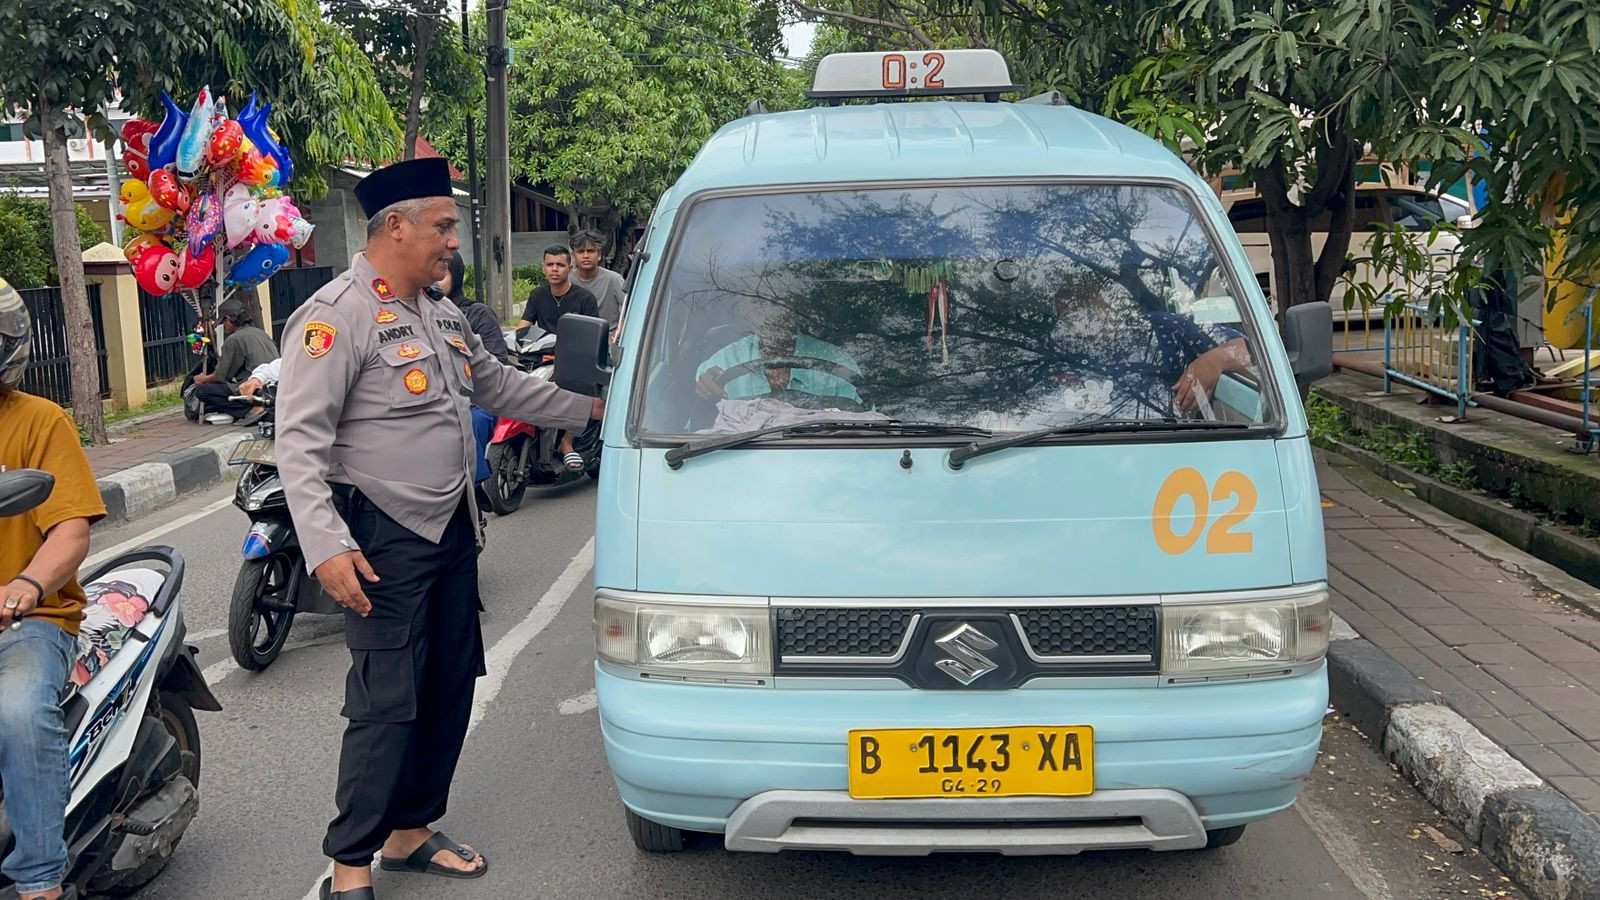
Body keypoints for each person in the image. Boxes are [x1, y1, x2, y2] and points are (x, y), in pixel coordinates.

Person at [273, 158, 604, 900]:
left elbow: (501, 385)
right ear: (397, 226)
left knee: (450, 682)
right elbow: (298, 443)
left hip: (453, 526)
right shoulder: (337, 316)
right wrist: (325, 546)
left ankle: (410, 830)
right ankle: (350, 860)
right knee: (385, 697)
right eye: (444, 226)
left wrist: (590, 409)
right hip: (379, 536)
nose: (453, 241)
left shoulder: (444, 315)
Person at [0, 277, 108, 900]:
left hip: (27, 621)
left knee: (18, 711)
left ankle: (39, 879)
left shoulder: (40, 421)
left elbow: (69, 532)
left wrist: (23, 586)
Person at [1047, 281, 1252, 420]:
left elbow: (1251, 350)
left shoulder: (1162, 329)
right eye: (1071, 314)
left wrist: (1215, 360)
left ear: (1106, 304)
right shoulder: (1052, 355)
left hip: (1170, 452)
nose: (1082, 319)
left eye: (1087, 307)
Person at [514, 246, 598, 470]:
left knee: (582, 390)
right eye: (550, 265)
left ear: (570, 268)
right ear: (543, 268)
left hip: (577, 362)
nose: (554, 269)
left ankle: (567, 442)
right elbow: (523, 327)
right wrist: (511, 341)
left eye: (560, 265)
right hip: (544, 358)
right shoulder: (537, 295)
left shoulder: (585, 298)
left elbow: (592, 335)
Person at [693, 296, 863, 406]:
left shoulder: (840, 367)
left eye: (777, 300)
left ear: (797, 303)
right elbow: (700, 436)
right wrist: (708, 397)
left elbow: (866, 432)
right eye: (758, 301)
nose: (770, 312)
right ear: (744, 307)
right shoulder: (717, 368)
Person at [433, 251, 503, 497]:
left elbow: (497, 362)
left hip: (476, 399)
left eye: (444, 272)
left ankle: (472, 485)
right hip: (437, 401)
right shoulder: (415, 313)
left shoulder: (476, 314)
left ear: (457, 275)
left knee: (474, 421)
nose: (436, 280)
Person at [190, 297, 279, 423]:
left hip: (254, 387)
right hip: (274, 387)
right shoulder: (260, 333)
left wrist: (203, 379)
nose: (225, 326)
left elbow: (221, 376)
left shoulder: (234, 340)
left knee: (203, 391)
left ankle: (251, 410)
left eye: (224, 322)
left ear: (229, 319)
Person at [570, 229, 626, 334]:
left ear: (599, 254)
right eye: (580, 252)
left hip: (608, 335)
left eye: (590, 251)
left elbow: (629, 311)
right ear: (573, 256)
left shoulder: (613, 279)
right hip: (576, 336)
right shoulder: (567, 280)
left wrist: (616, 335)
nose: (585, 256)